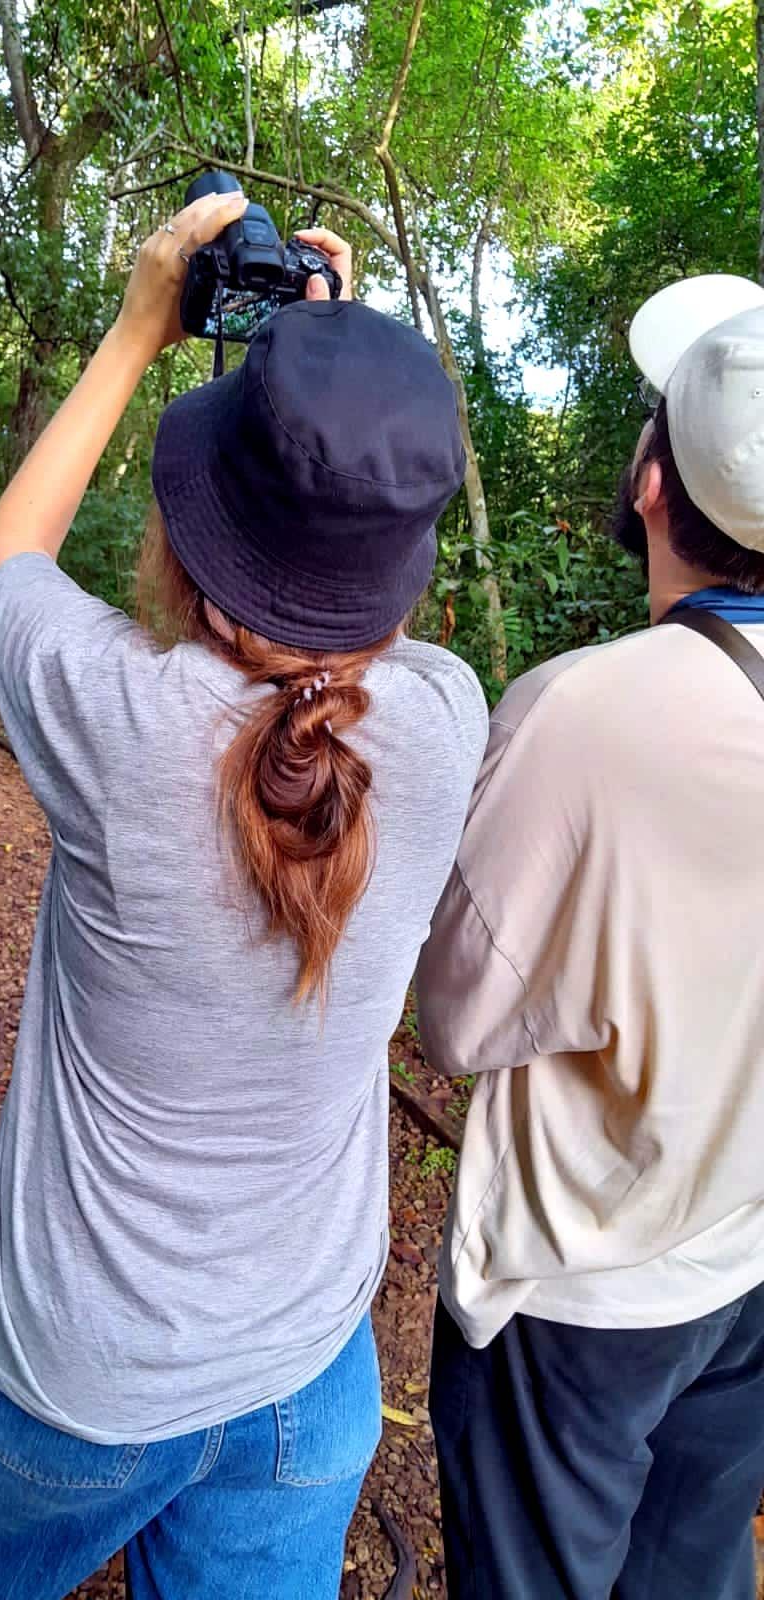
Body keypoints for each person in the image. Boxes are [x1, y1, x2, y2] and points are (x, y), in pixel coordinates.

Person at [0, 188, 487, 1598]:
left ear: (194, 529)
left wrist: (144, 326)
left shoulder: (114, 718)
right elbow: (358, 641)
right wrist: (337, 370)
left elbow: (16, 544)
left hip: (70, 1373)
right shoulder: (447, 719)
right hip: (306, 1381)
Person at [417, 274, 764, 1600]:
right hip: (747, 1260)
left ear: (653, 487)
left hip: (585, 1294)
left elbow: (456, 1021)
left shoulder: (585, 713)